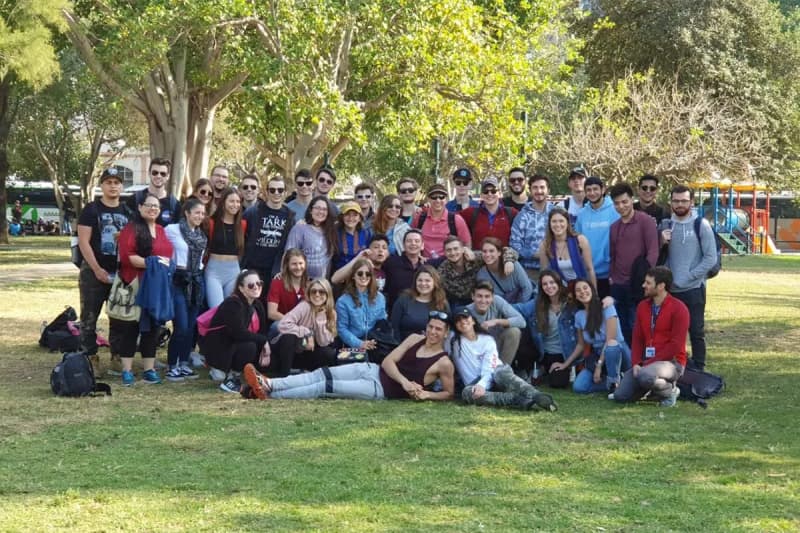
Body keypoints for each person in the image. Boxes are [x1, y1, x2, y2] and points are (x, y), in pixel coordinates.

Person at [242, 312, 456, 401]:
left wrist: (427, 395)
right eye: (431, 327)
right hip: (373, 370)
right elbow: (388, 361)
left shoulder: (444, 362)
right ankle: (270, 384)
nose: (433, 332)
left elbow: (449, 393)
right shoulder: (415, 338)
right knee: (320, 373)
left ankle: (269, 394)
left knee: (324, 387)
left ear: (446, 333)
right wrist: (405, 382)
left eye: (438, 329)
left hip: (379, 389)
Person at [114, 192, 175, 386]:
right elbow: (128, 257)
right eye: (149, 205)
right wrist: (154, 262)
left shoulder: (161, 230)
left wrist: (165, 264)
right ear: (140, 207)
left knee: (153, 328)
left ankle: (149, 369)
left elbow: (168, 255)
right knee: (132, 327)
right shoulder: (131, 229)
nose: (153, 209)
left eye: (156, 206)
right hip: (136, 284)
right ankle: (127, 370)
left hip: (157, 286)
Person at [451, 308, 557, 411]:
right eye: (458, 320)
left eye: (465, 318)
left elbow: (490, 367)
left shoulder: (487, 340)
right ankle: (518, 400)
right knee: (467, 393)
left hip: (494, 372)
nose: (463, 322)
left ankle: (537, 395)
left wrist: (481, 384)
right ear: (455, 325)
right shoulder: (453, 341)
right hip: (475, 383)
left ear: (473, 320)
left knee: (500, 374)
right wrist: (479, 385)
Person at [77, 168, 131, 365]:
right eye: (109, 182)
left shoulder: (128, 211)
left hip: (120, 273)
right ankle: (90, 358)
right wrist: (96, 269)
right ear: (102, 185)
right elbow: (83, 242)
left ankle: (117, 356)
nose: (113, 186)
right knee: (89, 318)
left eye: (116, 182)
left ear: (122, 186)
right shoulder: (91, 210)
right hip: (93, 272)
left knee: (119, 317)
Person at [614, 266, 689, 407]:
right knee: (621, 396)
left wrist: (647, 364)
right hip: (647, 362)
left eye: (648, 283)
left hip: (672, 363)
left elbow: (676, 345)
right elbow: (637, 338)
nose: (644, 285)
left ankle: (670, 391)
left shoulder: (679, 309)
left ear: (661, 286)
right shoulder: (642, 306)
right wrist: (636, 363)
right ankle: (651, 388)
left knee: (645, 375)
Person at [660, 184, 716, 371]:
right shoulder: (665, 225)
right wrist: (661, 241)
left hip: (694, 289)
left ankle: (699, 368)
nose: (680, 204)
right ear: (671, 202)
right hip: (670, 289)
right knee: (672, 332)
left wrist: (690, 276)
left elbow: (710, 258)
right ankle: (675, 366)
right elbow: (657, 256)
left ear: (692, 202)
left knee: (696, 331)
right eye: (676, 201)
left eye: (684, 201)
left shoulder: (701, 225)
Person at [552, 280, 631, 395]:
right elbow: (580, 345)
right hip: (598, 354)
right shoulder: (579, 316)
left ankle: (615, 382)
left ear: (592, 290)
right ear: (575, 296)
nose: (582, 292)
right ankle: (618, 382)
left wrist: (599, 366)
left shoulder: (607, 307)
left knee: (611, 346)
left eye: (585, 288)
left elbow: (610, 340)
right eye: (578, 290)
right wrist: (565, 364)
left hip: (617, 352)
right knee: (579, 387)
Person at [199, 270, 270, 393]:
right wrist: (264, 341)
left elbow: (262, 331)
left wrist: (265, 348)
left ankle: (234, 373)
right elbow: (238, 333)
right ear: (241, 288)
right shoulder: (233, 303)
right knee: (249, 346)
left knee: (254, 346)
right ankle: (223, 372)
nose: (256, 287)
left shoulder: (257, 305)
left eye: (259, 283)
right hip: (219, 347)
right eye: (251, 285)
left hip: (235, 345)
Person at [608, 183, 659, 345]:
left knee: (637, 327)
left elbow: (653, 251)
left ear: (632, 199)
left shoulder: (645, 221)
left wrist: (647, 281)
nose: (621, 206)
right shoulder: (614, 227)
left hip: (638, 285)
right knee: (621, 329)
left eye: (624, 202)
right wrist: (612, 277)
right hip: (618, 285)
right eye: (617, 203)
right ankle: (627, 359)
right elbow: (613, 255)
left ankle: (639, 358)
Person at [164, 198, 207, 381]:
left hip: (196, 281)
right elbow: (160, 247)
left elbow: (201, 261)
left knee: (190, 326)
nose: (200, 216)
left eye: (202, 213)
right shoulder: (172, 230)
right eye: (197, 212)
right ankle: (171, 364)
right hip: (178, 280)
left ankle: (183, 362)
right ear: (187, 213)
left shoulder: (201, 236)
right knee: (180, 325)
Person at [268, 278, 337, 377]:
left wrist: (320, 319)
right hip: (290, 350)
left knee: (328, 353)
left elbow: (323, 342)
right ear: (309, 293)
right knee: (289, 336)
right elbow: (282, 324)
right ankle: (284, 375)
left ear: (327, 294)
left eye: (321, 292)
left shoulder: (331, 313)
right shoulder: (304, 306)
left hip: (307, 351)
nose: (317, 295)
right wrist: (307, 332)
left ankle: (306, 373)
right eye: (313, 291)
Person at [528, 270, 579, 388]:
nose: (549, 286)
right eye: (545, 284)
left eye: (552, 282)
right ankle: (540, 368)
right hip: (545, 352)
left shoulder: (570, 303)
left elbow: (589, 304)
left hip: (564, 352)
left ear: (559, 283)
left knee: (558, 383)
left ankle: (568, 367)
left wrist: (608, 300)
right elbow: (519, 308)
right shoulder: (538, 303)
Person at [242, 175, 295, 280]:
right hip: (252, 267)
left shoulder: (290, 216)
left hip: (275, 271)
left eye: (280, 190)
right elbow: (241, 237)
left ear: (285, 192)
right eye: (272, 190)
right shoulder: (252, 212)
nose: (276, 193)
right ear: (266, 192)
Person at [574, 176, 619, 299]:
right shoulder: (582, 214)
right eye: (588, 190)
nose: (592, 193)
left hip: (610, 274)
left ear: (603, 189)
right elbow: (577, 241)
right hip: (589, 273)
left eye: (595, 189)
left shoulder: (615, 210)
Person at [466, 281, 526, 367]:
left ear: (492, 297)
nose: (483, 301)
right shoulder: (467, 311)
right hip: (479, 351)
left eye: (487, 296)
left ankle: (502, 370)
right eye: (479, 296)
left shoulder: (497, 301)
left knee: (514, 332)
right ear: (473, 296)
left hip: (497, 343)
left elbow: (521, 321)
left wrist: (496, 321)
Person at [205, 187, 246, 308]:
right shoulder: (211, 223)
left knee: (230, 310)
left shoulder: (242, 224)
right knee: (216, 309)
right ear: (223, 202)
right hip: (214, 271)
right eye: (231, 201)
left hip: (233, 271)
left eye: (238, 202)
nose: (235, 205)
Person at [335, 258, 387, 353]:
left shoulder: (380, 298)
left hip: (374, 343)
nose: (364, 276)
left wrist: (374, 341)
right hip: (352, 345)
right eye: (360, 273)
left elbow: (382, 322)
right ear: (353, 276)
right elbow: (342, 329)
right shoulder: (343, 301)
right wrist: (360, 343)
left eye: (368, 274)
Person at [537, 207, 596, 288]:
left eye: (561, 221)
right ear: (549, 224)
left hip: (581, 287)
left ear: (567, 223)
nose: (558, 225)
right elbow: (544, 273)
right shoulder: (545, 245)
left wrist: (594, 292)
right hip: (561, 288)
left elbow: (590, 269)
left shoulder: (580, 240)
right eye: (554, 221)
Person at [510, 174, 554, 280]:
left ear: (548, 190)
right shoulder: (522, 216)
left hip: (553, 270)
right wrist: (534, 254)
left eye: (542, 187)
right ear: (530, 190)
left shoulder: (556, 213)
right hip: (528, 272)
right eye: (535, 188)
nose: (539, 191)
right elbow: (514, 245)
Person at [411, 183, 471, 260]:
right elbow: (411, 239)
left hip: (449, 263)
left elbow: (467, 243)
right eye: (434, 197)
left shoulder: (456, 220)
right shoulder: (420, 218)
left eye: (441, 197)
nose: (438, 200)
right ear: (428, 199)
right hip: (425, 263)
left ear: (446, 199)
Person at [285, 195, 338, 279]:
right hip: (302, 280)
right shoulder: (300, 229)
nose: (321, 212)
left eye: (324, 209)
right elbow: (289, 255)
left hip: (322, 283)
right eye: (317, 208)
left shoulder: (330, 231)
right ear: (310, 210)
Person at [391, 265, 449, 340]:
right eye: (420, 280)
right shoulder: (403, 300)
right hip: (404, 344)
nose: (423, 284)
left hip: (432, 345)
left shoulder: (442, 303)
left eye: (427, 281)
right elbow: (394, 328)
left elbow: (447, 330)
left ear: (435, 282)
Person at [460, 177, 518, 247]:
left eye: (493, 191)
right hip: (478, 254)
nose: (489, 194)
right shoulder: (471, 213)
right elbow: (451, 218)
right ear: (481, 195)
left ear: (499, 194)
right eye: (485, 191)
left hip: (503, 254)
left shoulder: (511, 213)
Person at [477, 237, 533, 304]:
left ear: (499, 253)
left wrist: (519, 307)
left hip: (524, 303)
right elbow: (492, 299)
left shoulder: (513, 264)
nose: (487, 254)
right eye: (484, 251)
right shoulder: (481, 275)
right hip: (503, 306)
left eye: (491, 251)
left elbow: (527, 288)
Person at [129, 158, 181, 226]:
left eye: (163, 174)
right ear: (149, 174)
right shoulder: (135, 199)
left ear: (168, 176)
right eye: (155, 173)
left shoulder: (175, 204)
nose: (158, 176)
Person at [265, 248, 308, 329]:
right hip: (283, 323)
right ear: (287, 265)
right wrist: (293, 323)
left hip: (304, 325)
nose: (298, 267)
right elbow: (272, 313)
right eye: (294, 264)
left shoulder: (309, 284)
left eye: (301, 263)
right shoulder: (277, 283)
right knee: (276, 325)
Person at [382, 229, 425, 310]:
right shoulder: (391, 263)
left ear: (422, 245)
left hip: (421, 310)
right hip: (396, 310)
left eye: (417, 241)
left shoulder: (426, 266)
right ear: (403, 245)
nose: (413, 243)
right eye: (409, 241)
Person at [334, 201, 371, 271]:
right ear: (342, 217)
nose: (351, 218)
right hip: (340, 274)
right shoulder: (335, 234)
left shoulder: (366, 233)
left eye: (355, 215)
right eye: (347, 214)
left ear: (360, 218)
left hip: (359, 273)